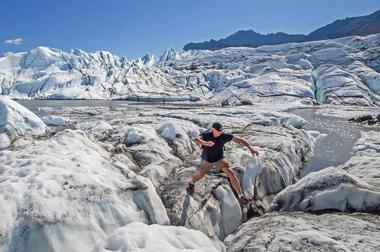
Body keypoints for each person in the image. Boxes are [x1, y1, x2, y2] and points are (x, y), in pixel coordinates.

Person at [187, 122, 259, 204]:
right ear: (213, 130)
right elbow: (196, 139)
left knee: (230, 172)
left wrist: (251, 148)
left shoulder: (224, 136)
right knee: (200, 175)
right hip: (207, 160)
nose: (220, 132)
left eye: (221, 131)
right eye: (218, 131)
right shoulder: (207, 135)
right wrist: (206, 143)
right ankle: (191, 183)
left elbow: (240, 140)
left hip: (219, 159)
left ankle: (241, 196)